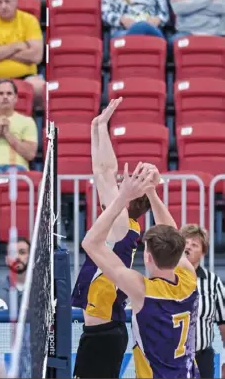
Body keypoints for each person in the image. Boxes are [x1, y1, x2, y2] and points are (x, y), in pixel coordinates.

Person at [82, 162, 200, 378]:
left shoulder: (142, 290)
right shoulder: (189, 280)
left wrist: (123, 197)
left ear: (147, 257)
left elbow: (90, 243)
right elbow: (172, 234)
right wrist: (151, 192)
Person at [71, 98, 151, 378]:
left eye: (121, 189)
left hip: (104, 335)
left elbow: (104, 173)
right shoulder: (121, 226)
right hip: (102, 332)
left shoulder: (123, 227)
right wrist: (96, 128)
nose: (113, 189)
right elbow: (101, 173)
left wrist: (102, 128)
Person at [181, 224, 225, 379]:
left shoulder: (213, 282)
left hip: (203, 356)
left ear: (203, 251)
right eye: (185, 243)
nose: (188, 248)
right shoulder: (167, 278)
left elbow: (223, 323)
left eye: (194, 245)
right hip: (172, 358)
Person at [0, 237, 30, 307]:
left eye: (22, 252)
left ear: (31, 257)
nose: (17, 257)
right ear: (6, 260)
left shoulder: (43, 290)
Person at [101, 0, 169, 39]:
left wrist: (158, 19)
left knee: (144, 27)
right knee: (141, 28)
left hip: (150, 29)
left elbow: (164, 14)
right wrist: (121, 20)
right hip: (122, 31)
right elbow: (105, 13)